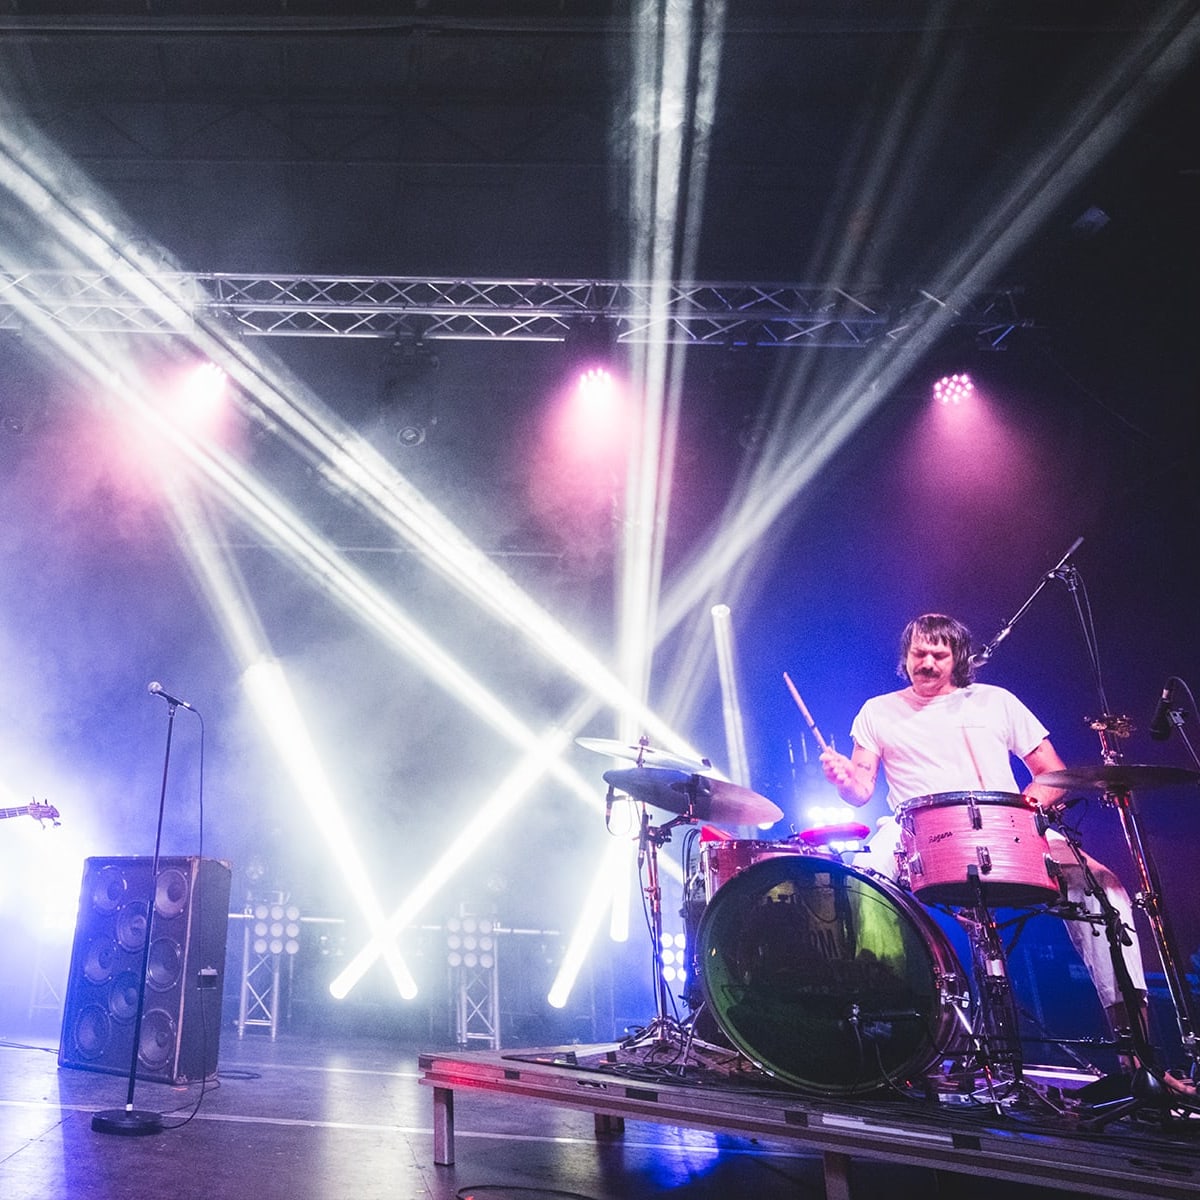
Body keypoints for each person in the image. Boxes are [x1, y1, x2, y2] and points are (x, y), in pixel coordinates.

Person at [818, 613, 1149, 1062]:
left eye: (940, 654)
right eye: (919, 653)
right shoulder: (878, 710)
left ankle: (1138, 1056)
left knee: (1106, 892)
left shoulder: (996, 701)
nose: (928, 662)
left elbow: (1052, 772)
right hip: (917, 832)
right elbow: (860, 790)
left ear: (959, 658)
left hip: (1005, 825)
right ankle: (885, 1042)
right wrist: (843, 779)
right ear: (905, 655)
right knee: (862, 886)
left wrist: (1030, 806)